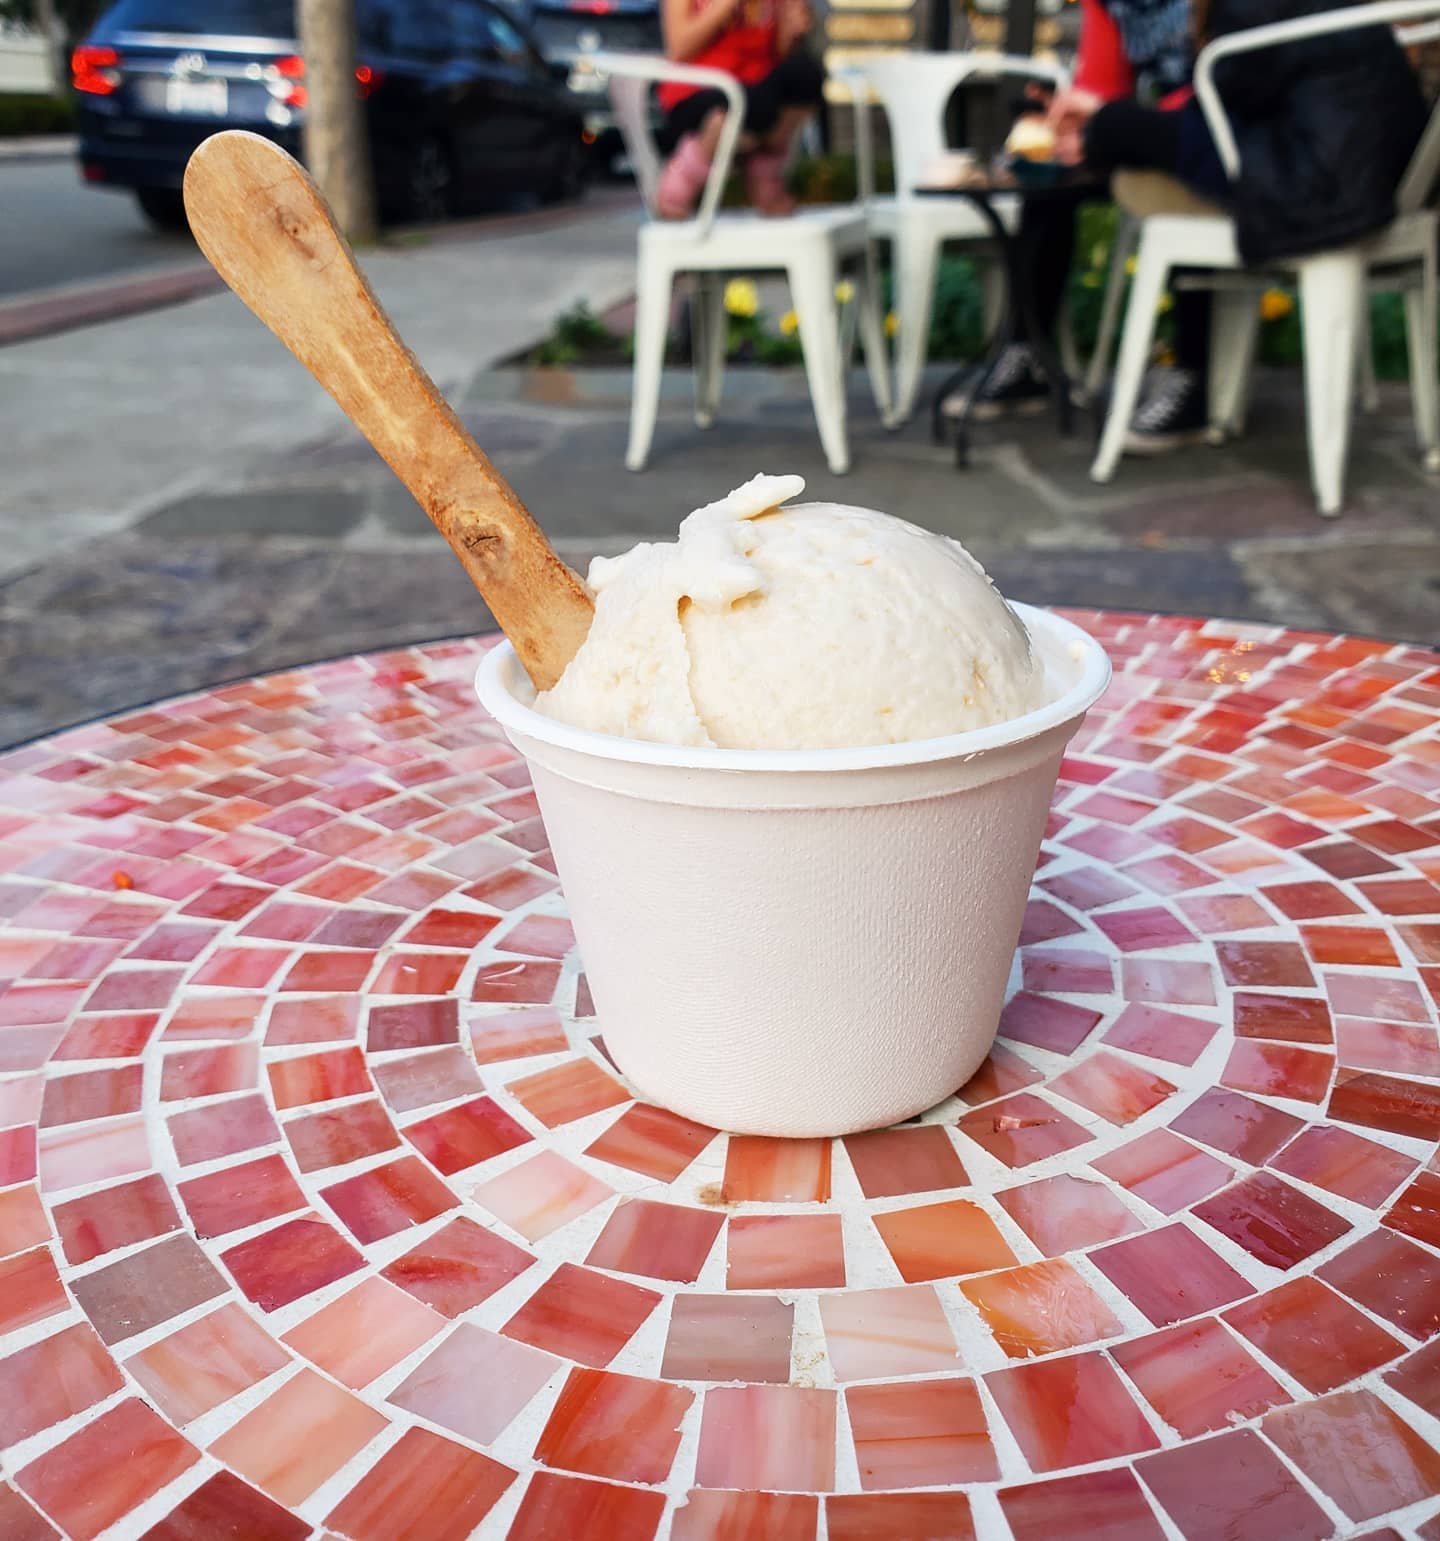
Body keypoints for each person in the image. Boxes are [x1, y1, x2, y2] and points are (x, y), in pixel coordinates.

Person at [954, 0, 1428, 452]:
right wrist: (1097, 118)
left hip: (1319, 180)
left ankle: (1192, 377)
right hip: (1334, 162)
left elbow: (1226, 93)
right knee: (1066, 170)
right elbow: (1173, 91)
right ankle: (1027, 353)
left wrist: (1113, 126)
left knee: (1141, 152)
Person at [654, 0, 825, 219]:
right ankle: (682, 180)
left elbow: (778, 54)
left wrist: (792, 31)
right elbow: (679, 48)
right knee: (733, 110)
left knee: (804, 76)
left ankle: (762, 167)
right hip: (700, 89)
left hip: (757, 93)